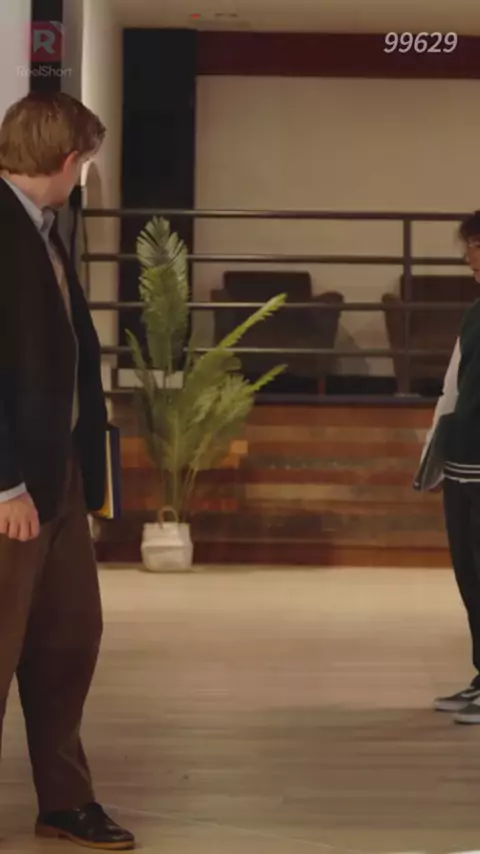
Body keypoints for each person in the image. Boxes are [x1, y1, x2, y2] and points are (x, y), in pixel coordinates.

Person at [0, 92, 135, 849]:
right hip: (12, 488)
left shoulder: (48, 227)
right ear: (65, 158)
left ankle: (64, 799)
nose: (83, 174)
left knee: (68, 640)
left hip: (60, 477)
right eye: (84, 161)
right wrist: (4, 482)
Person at [422, 210, 480, 725]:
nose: (469, 258)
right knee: (471, 575)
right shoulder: (474, 314)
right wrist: (433, 454)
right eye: (468, 247)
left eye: (476, 246)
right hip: (463, 459)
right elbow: (452, 387)